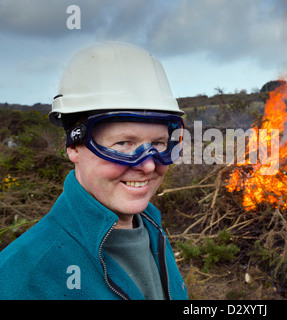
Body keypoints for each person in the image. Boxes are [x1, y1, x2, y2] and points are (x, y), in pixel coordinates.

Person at [0, 41, 188, 300]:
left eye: (158, 144)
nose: (147, 165)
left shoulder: (151, 229)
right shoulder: (20, 279)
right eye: (123, 144)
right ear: (74, 146)